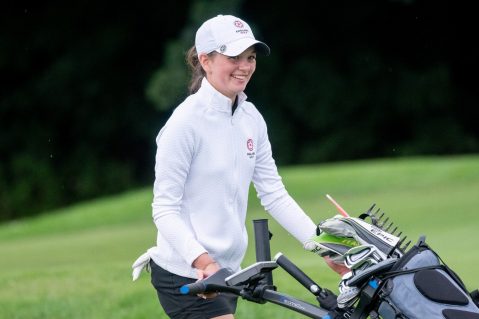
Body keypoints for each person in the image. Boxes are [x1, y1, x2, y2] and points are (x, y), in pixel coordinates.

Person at [132, 14, 348, 319]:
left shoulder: (251, 118)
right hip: (184, 271)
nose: (245, 66)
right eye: (234, 57)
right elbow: (164, 209)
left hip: (225, 273)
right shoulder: (184, 123)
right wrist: (204, 262)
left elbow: (274, 194)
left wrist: (322, 247)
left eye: (250, 57)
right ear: (205, 61)